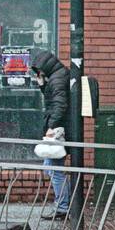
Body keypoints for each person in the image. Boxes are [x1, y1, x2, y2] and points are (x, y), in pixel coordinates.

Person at [29, 49, 72, 219]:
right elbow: (53, 99)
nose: (38, 73)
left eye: (38, 70)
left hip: (58, 130)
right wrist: (42, 85)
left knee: (55, 170)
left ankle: (62, 208)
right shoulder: (57, 77)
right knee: (53, 169)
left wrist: (51, 127)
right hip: (59, 128)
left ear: (44, 66)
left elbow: (60, 105)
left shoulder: (58, 79)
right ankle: (63, 205)